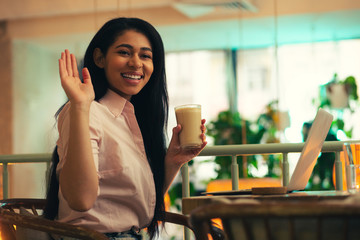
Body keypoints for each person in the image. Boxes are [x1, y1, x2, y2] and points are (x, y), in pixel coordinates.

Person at [43, 17, 207, 240]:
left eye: (146, 56)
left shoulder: (130, 119)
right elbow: (81, 200)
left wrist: (173, 161)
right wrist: (80, 105)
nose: (136, 63)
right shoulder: (85, 111)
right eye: (125, 52)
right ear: (100, 58)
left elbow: (139, 206)